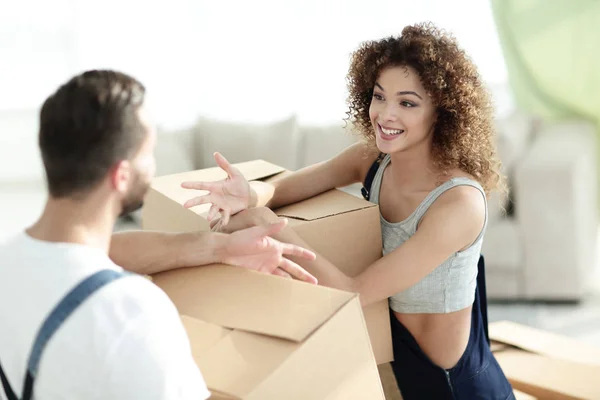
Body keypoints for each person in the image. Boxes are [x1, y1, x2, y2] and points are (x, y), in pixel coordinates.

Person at [181, 23, 515, 399]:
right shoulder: (373, 159)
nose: (385, 115)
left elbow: (354, 292)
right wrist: (251, 194)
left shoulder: (458, 204)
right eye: (379, 96)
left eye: (407, 103)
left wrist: (271, 228)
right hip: (394, 362)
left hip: (450, 385)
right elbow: (284, 187)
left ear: (441, 113)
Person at [0, 70, 316, 400]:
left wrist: (219, 247)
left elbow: (103, 253)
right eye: (148, 153)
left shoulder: (10, 263)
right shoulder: (128, 310)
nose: (153, 166)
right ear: (121, 176)